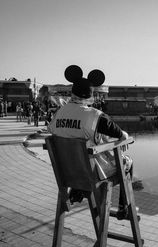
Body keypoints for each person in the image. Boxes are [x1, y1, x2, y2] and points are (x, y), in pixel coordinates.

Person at [48, 65, 133, 218]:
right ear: (90, 95)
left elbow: (52, 131)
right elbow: (118, 132)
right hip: (91, 174)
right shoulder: (94, 115)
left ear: (72, 92)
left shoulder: (59, 113)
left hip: (66, 174)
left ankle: (77, 191)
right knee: (127, 162)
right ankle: (123, 208)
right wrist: (124, 135)